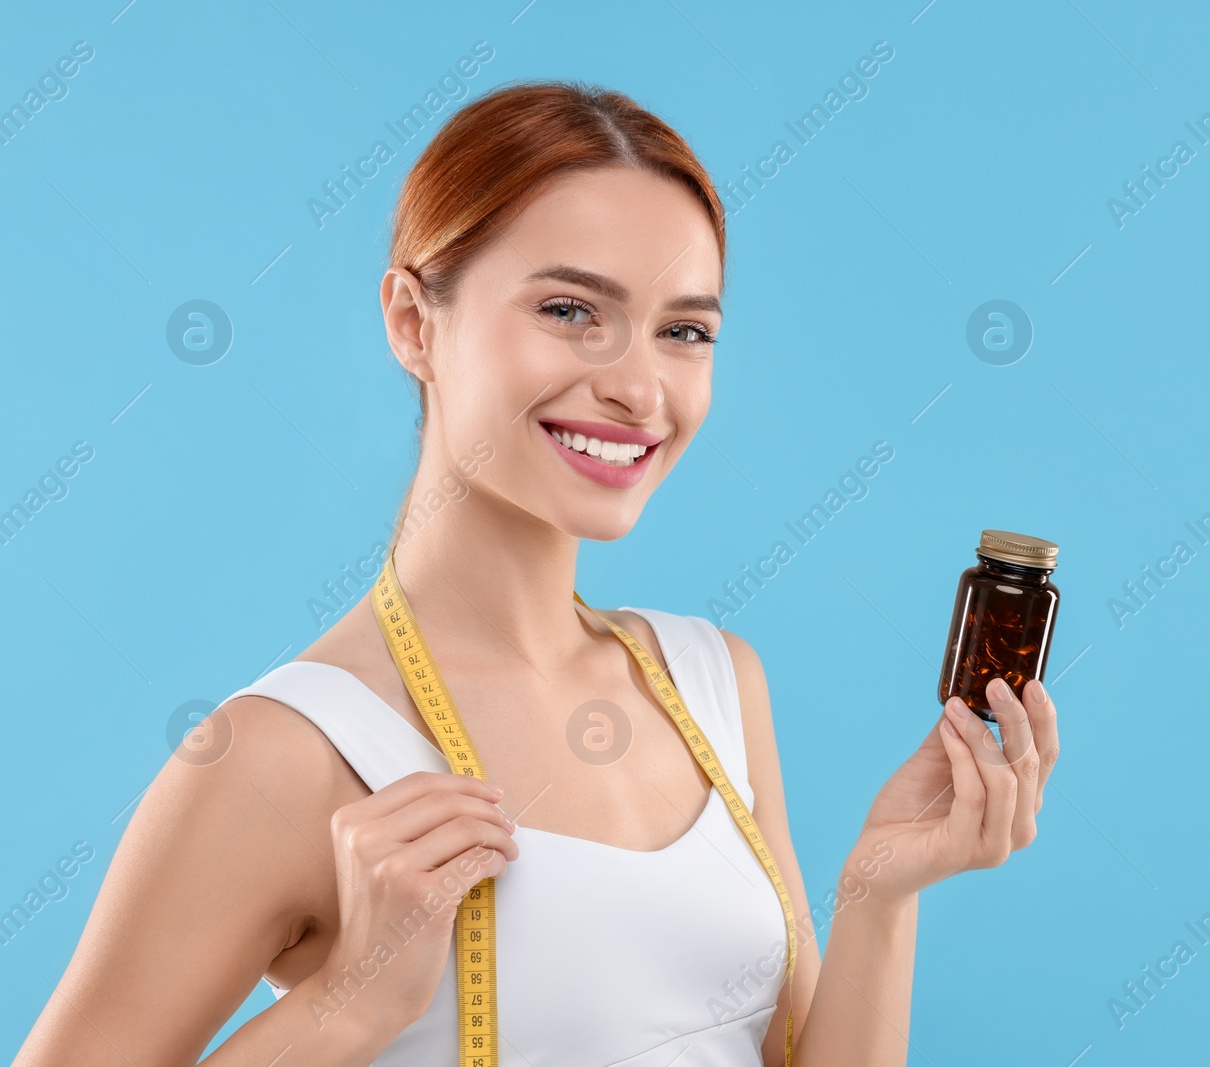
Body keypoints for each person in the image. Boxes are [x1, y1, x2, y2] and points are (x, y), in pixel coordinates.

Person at [15, 80, 1059, 1066]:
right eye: (569, 310)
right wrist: (345, 1010)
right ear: (414, 321)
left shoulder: (713, 679)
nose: (640, 388)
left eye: (684, 330)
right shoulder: (282, 752)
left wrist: (880, 892)